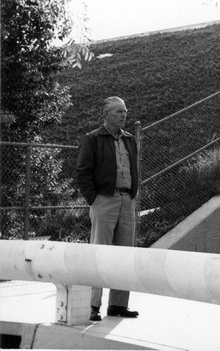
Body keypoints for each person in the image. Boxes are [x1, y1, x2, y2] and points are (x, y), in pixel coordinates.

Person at [76, 96, 139, 321]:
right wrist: (94, 200)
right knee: (99, 254)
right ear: (106, 115)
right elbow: (82, 173)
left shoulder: (130, 139)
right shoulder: (92, 139)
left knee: (124, 255)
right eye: (118, 112)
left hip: (126, 201)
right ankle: (93, 306)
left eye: (125, 111)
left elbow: (133, 167)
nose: (124, 115)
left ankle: (118, 305)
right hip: (104, 201)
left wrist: (132, 194)